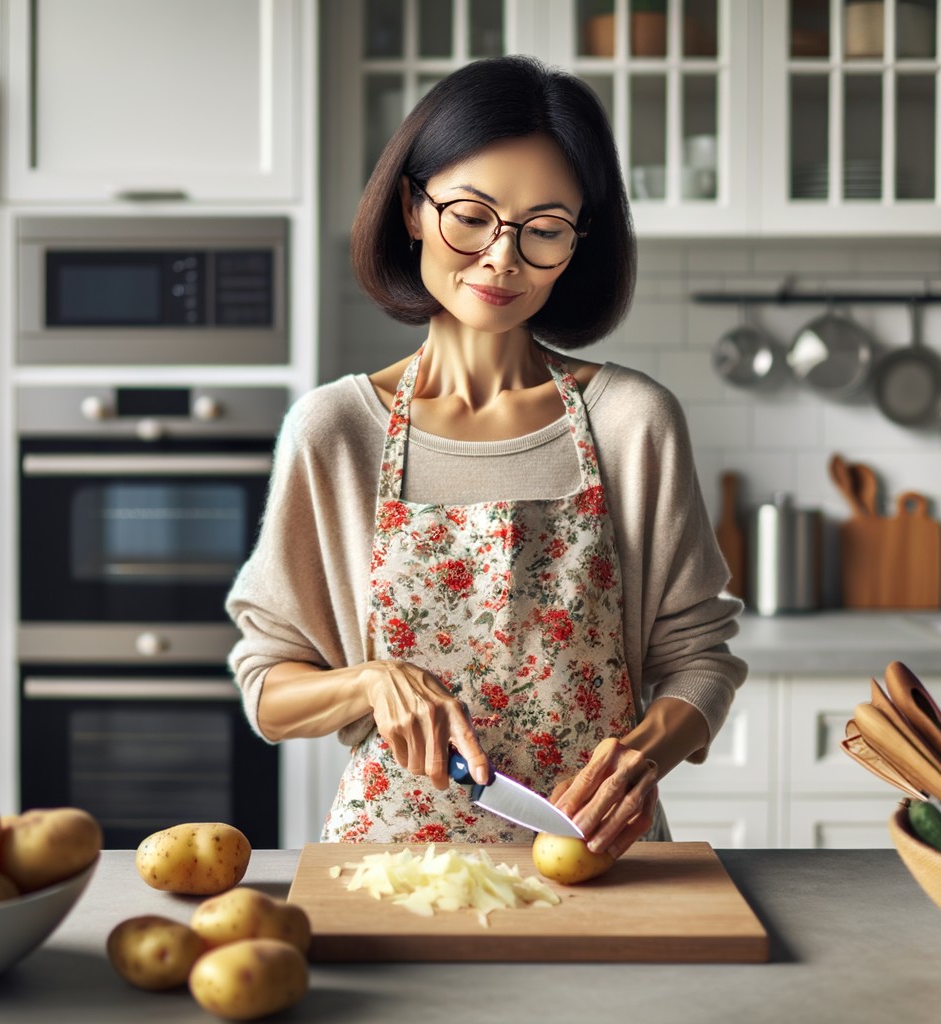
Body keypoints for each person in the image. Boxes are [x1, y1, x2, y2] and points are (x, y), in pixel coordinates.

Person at [226, 54, 746, 859]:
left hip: (594, 857)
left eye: (543, 231)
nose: (503, 259)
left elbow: (699, 660)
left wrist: (643, 758)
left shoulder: (632, 422)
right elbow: (268, 686)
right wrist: (368, 683)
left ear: (577, 245)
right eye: (471, 216)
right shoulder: (335, 432)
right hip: (390, 865)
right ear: (411, 207)